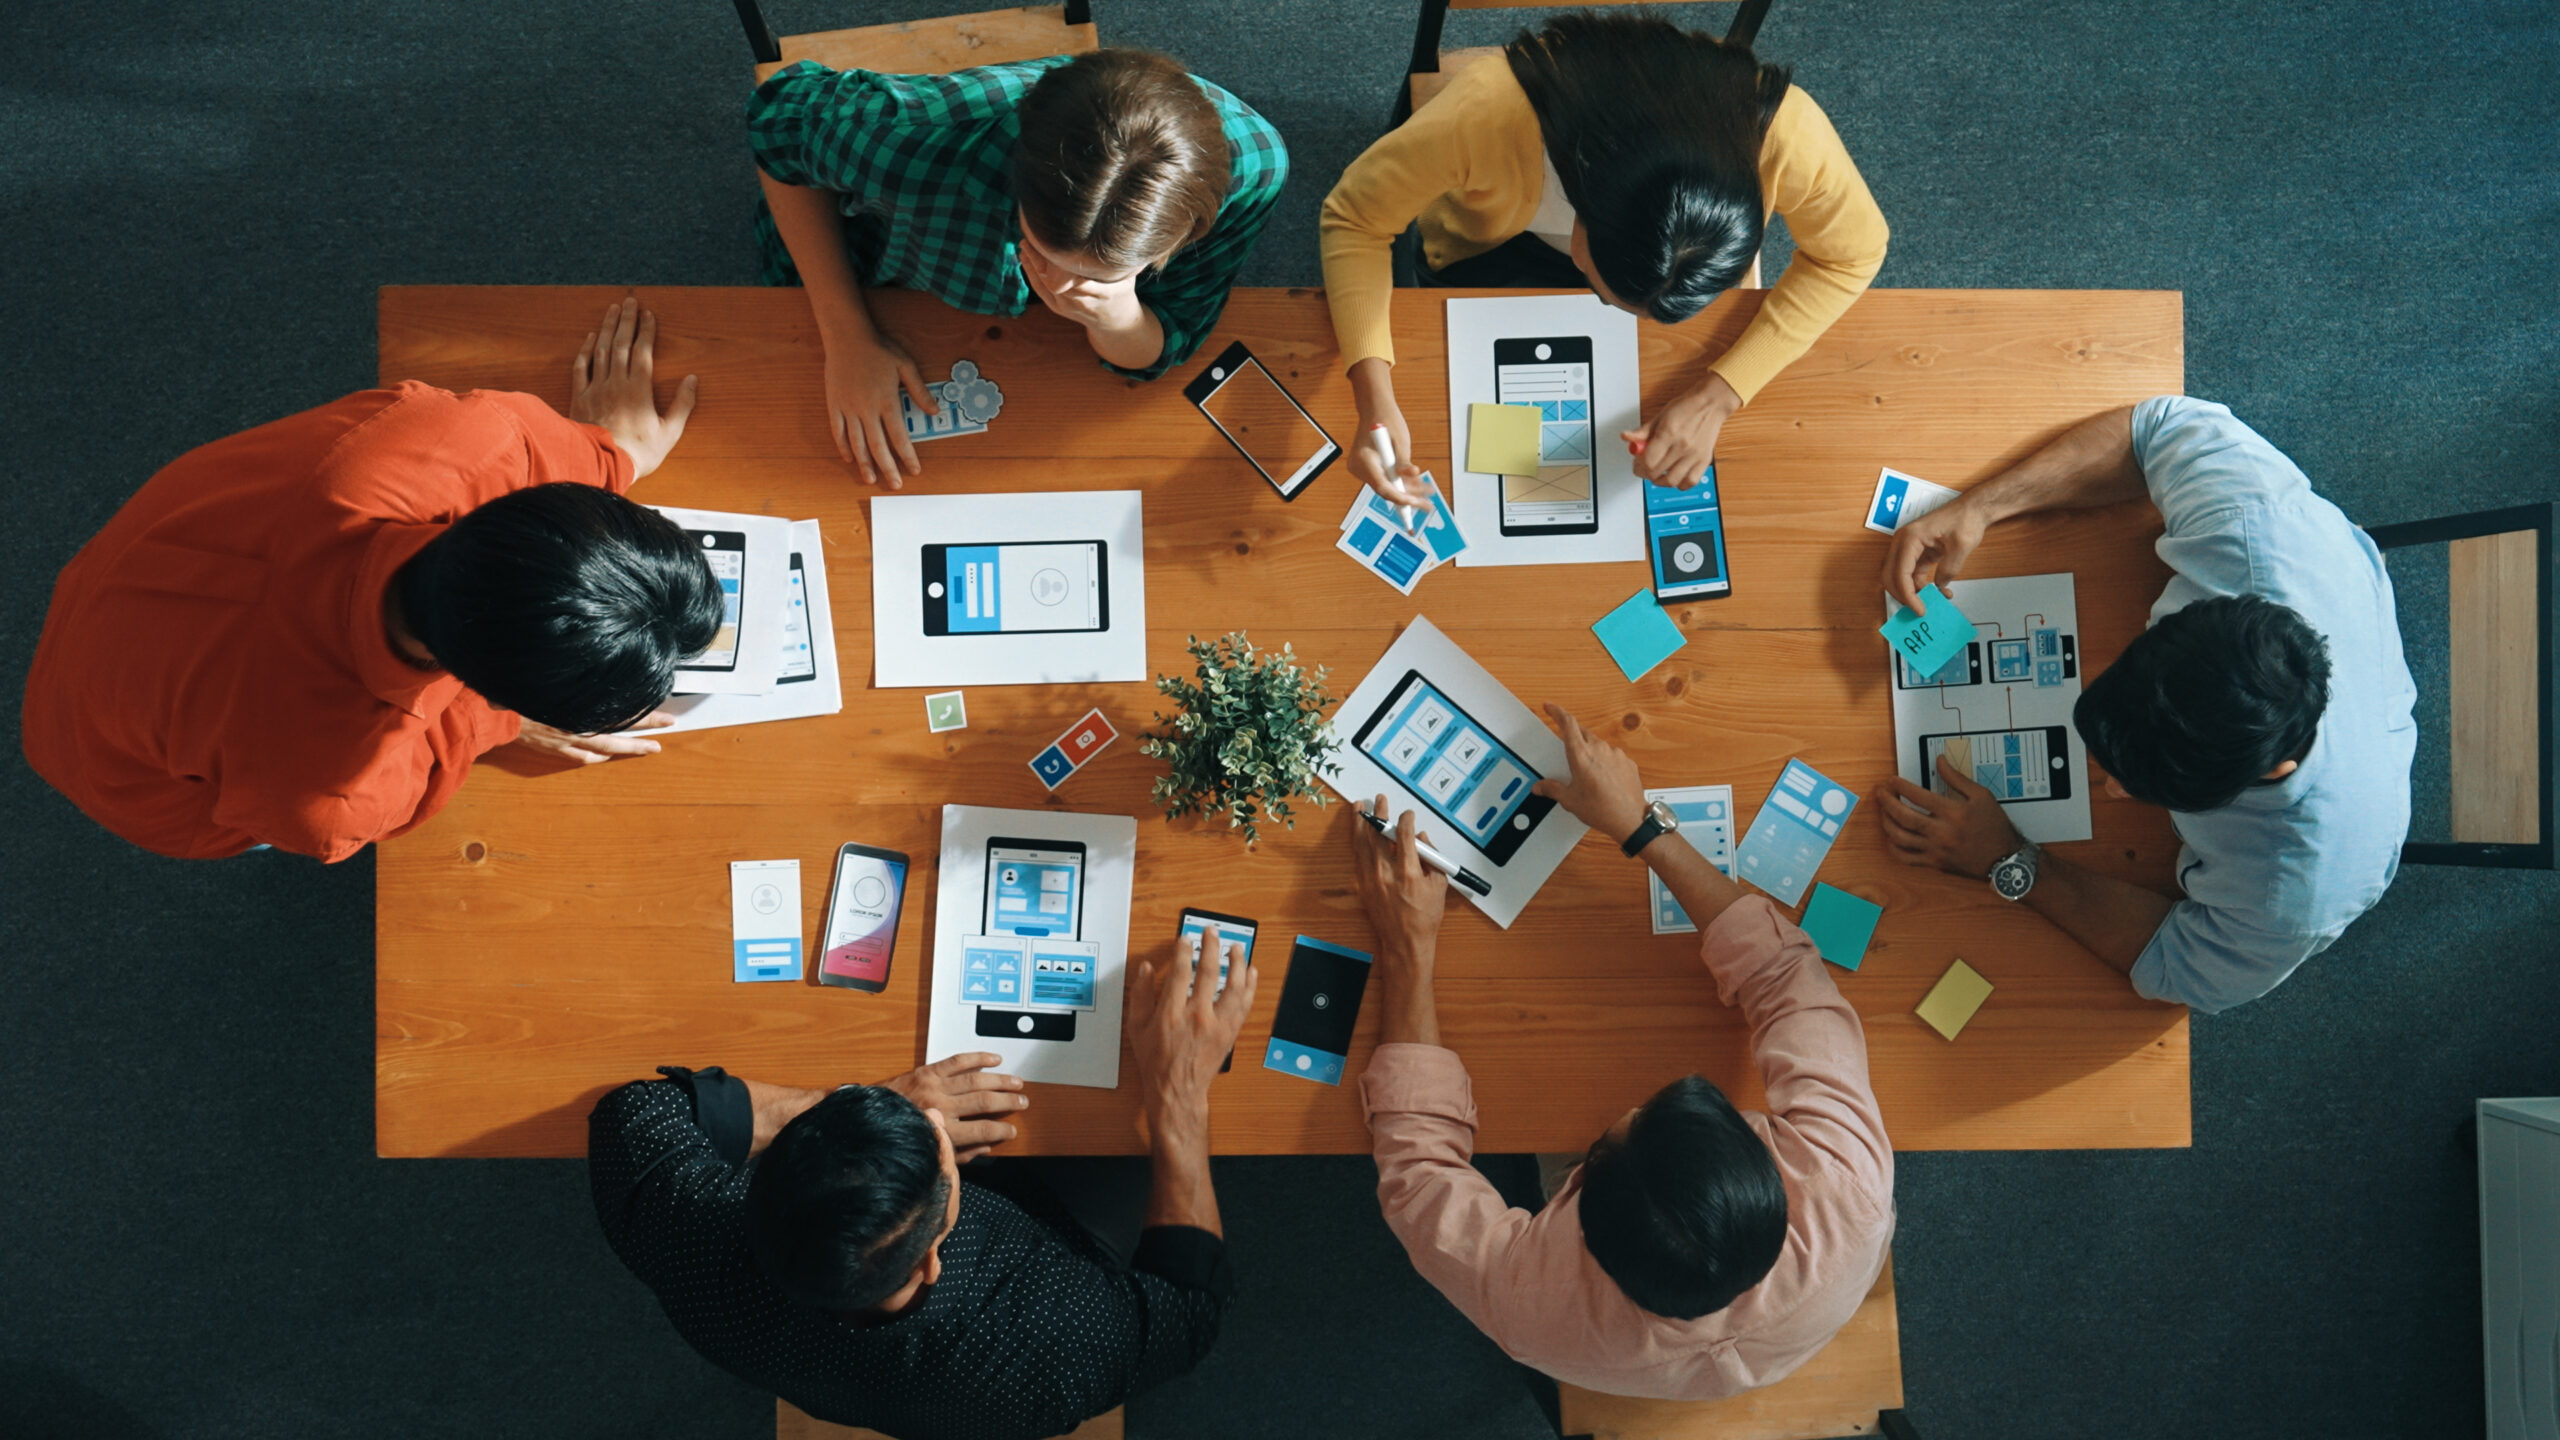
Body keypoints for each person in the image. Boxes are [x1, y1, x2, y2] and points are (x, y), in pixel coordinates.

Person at [22, 298, 714, 862]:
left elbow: (549, 457)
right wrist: (500, 722)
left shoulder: (470, 438)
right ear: (480, 684)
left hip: (128, 583)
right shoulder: (332, 789)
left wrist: (609, 454)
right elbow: (358, 797)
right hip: (123, 768)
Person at [1349, 705, 1893, 1400]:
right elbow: (1787, 977)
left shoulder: (1532, 1306)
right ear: (1764, 1170)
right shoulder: (1848, 1188)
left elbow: (1417, 1172)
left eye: (1617, 1132)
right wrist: (1641, 825)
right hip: (1795, 1318)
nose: (1634, 1103)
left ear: (1573, 1213)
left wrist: (1406, 950)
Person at [587, 927, 1258, 1440]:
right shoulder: (1061, 1346)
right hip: (1046, 1251)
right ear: (936, 1249)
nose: (934, 1120)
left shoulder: (687, 1234)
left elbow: (632, 1111)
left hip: (827, 1368)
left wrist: (869, 1099)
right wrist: (1179, 1094)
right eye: (935, 1140)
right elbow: (1190, 1310)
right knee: (1112, 1138)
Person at [1875, 398, 2417, 1014]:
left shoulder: (2302, 887)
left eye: (2144, 786)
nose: (2105, 789)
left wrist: (2012, 861)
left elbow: (2180, 967)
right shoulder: (2252, 527)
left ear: (2269, 774)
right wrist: (1980, 507)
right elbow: (2153, 430)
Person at [1320, 12, 1888, 506]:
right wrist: (1373, 401)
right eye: (1606, 297)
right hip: (1494, 249)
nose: (1616, 318)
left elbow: (1852, 256)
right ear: (1580, 210)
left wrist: (1720, 396)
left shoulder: (1790, 132)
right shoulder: (1489, 112)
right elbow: (1355, 218)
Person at [748, 47, 1288, 487]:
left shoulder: (1256, 172)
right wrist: (846, 337)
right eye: (1046, 254)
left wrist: (1118, 317)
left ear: (1187, 232)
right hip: (879, 267)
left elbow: (1170, 334)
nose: (1061, 287)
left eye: (1106, 274)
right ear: (1018, 191)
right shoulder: (908, 137)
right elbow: (776, 120)